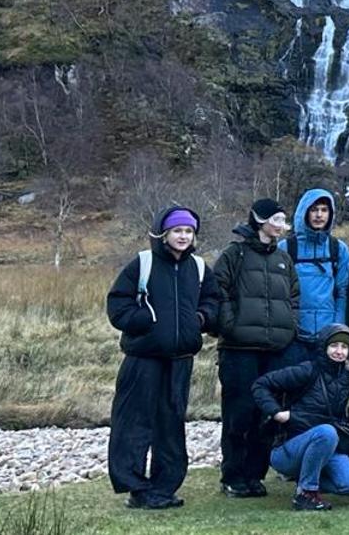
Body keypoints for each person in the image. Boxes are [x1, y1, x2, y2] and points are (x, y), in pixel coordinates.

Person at [106, 206, 218, 509]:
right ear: (164, 233)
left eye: (188, 231)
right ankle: (136, 489)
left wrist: (202, 319)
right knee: (134, 423)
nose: (183, 236)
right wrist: (143, 322)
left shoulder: (199, 267)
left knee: (171, 425)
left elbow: (214, 301)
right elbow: (117, 304)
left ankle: (163, 488)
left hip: (181, 359)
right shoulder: (142, 263)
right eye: (177, 230)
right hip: (143, 359)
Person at [212, 198, 300, 499]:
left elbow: (294, 298)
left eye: (283, 220)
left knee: (267, 413)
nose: (281, 226)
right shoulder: (234, 254)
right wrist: (228, 325)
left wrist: (289, 326)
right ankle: (233, 476)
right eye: (276, 219)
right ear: (260, 220)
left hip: (275, 349)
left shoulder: (283, 260)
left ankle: (255, 475)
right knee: (239, 412)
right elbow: (216, 290)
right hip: (238, 350)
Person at [253, 324, 349, 511]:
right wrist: (276, 412)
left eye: (344, 347)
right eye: (334, 345)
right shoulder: (307, 370)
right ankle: (306, 494)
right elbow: (261, 385)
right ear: (324, 346)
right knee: (327, 432)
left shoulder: (347, 379)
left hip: (326, 445)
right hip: (288, 447)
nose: (339, 351)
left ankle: (307, 479)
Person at [282, 189, 349, 359]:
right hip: (293, 337)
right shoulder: (286, 248)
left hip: (327, 338)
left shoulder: (338, 249)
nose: (319, 215)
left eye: (324, 210)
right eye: (313, 210)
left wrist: (337, 329)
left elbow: (342, 292)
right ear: (304, 212)